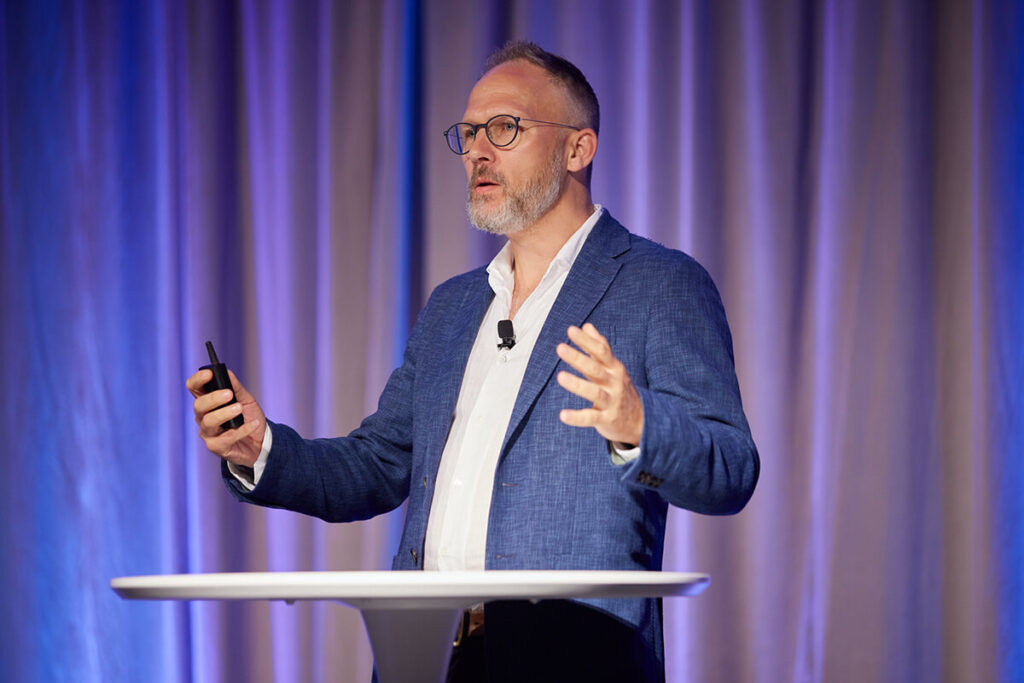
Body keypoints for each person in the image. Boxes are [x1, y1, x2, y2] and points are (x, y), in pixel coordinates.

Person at [188, 40, 759, 683]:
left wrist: (639, 426)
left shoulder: (660, 284)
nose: (478, 151)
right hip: (429, 658)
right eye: (468, 133)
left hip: (576, 661)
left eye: (504, 128)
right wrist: (260, 450)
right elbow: (378, 465)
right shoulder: (455, 306)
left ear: (578, 148)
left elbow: (731, 469)